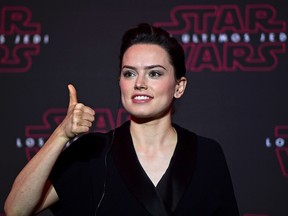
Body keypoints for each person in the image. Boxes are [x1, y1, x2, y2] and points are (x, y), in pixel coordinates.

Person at [4, 23, 239, 216]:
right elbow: (15, 209)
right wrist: (61, 135)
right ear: (120, 82)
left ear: (179, 87)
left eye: (154, 73)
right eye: (129, 73)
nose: (139, 83)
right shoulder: (91, 153)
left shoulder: (207, 154)